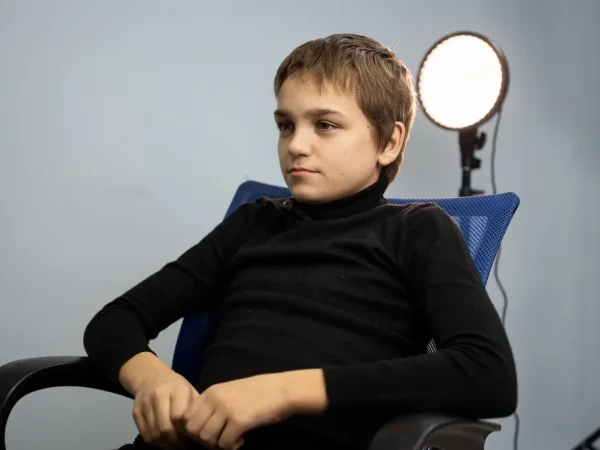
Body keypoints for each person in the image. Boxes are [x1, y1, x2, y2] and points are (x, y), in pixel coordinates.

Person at [83, 33, 517, 450]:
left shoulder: (418, 230)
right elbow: (115, 321)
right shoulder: (254, 222)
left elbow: (487, 374)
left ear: (389, 141)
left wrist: (283, 391)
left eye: (325, 125)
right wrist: (154, 380)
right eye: (285, 125)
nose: (296, 145)